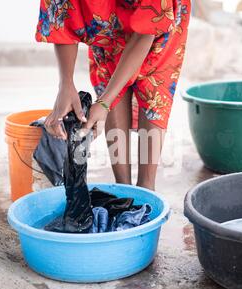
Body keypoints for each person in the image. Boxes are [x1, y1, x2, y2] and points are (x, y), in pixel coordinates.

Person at [36, 0, 191, 191]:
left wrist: (103, 103)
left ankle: (147, 186)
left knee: (154, 89)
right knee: (110, 75)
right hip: (106, 21)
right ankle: (123, 186)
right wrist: (65, 84)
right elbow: (60, 14)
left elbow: (147, 29)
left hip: (158, 21)